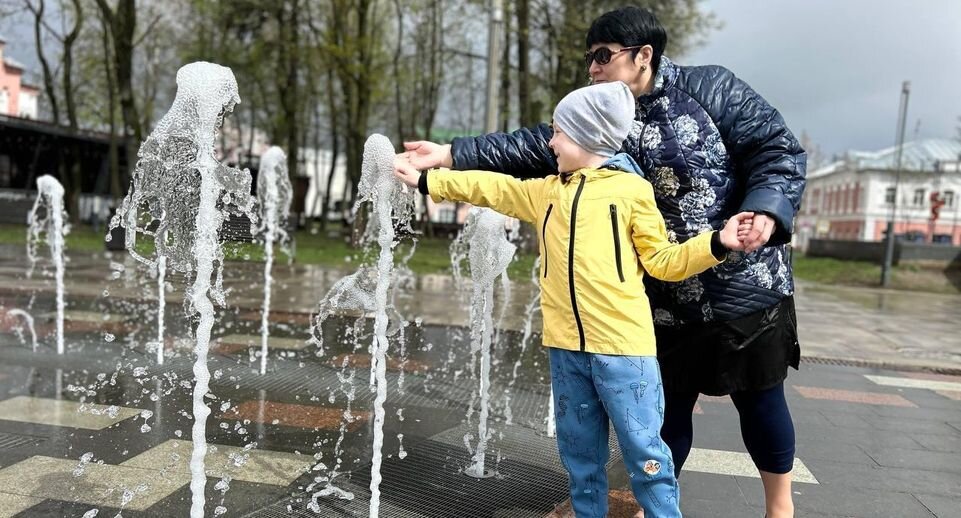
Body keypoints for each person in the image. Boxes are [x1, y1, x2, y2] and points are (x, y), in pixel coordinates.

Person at [397, 7, 806, 518]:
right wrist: (447, 155)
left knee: (760, 401)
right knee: (666, 413)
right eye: (589, 56)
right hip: (657, 296)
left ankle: (779, 507)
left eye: (603, 55)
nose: (592, 66)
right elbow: (524, 149)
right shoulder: (598, 117)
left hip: (740, 282)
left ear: (643, 56)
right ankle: (652, 506)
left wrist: (765, 209)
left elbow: (776, 149)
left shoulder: (712, 89)